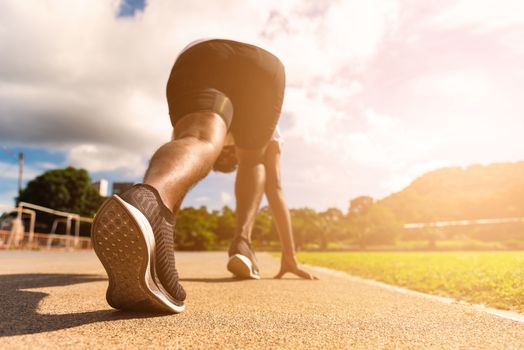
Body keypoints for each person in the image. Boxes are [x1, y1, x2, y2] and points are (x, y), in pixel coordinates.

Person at [91, 39, 316, 314]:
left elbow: (177, 184)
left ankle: (150, 202)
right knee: (253, 160)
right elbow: (275, 188)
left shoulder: (213, 130)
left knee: (196, 138)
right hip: (263, 68)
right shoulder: (268, 135)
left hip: (201, 55)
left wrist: (159, 216)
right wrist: (289, 256)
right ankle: (241, 242)